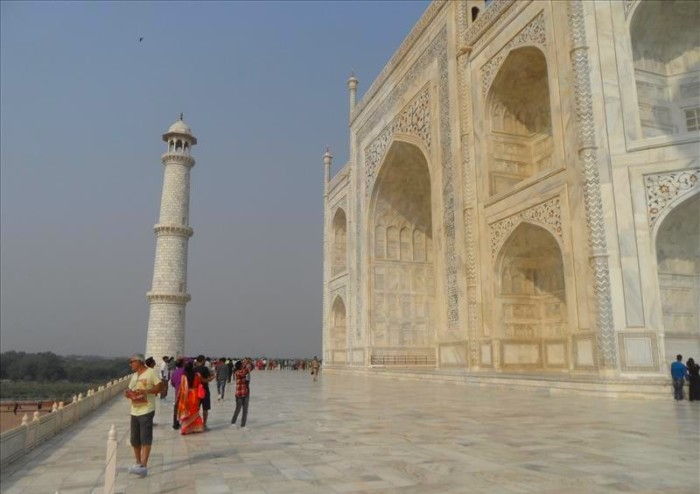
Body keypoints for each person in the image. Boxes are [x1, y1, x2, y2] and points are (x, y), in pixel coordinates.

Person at [124, 354, 162, 478]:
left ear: (139, 362)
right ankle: (138, 463)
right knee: (134, 439)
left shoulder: (151, 372)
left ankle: (144, 466)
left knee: (145, 438)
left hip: (147, 409)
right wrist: (129, 393)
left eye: (132, 362)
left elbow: (159, 387)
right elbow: (130, 388)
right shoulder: (134, 376)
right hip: (134, 410)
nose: (130, 364)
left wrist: (146, 391)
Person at [176, 360, 205, 434]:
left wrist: (178, 397)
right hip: (195, 395)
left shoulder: (184, 376)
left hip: (186, 396)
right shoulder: (197, 375)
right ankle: (196, 428)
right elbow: (199, 384)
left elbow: (182, 388)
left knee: (187, 412)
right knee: (194, 411)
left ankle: (185, 429)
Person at [193, 355, 213, 428]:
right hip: (204, 390)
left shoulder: (193, 369)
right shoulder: (205, 369)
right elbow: (208, 378)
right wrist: (212, 377)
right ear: (202, 360)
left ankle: (195, 422)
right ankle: (204, 423)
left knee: (196, 408)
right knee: (205, 408)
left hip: (195, 391)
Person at [231, 360, 250, 428]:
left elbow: (250, 369)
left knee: (245, 410)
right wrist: (246, 366)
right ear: (239, 366)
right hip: (239, 394)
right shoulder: (237, 372)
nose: (243, 365)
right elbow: (243, 373)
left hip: (246, 392)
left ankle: (243, 425)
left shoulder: (244, 371)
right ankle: (233, 422)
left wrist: (249, 363)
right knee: (238, 409)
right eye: (242, 365)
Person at [170, 358, 185, 429]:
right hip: (185, 392)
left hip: (177, 392)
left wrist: (176, 386)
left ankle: (175, 423)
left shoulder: (174, 372)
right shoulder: (185, 371)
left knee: (176, 407)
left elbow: (172, 382)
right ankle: (184, 422)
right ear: (182, 364)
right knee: (185, 407)